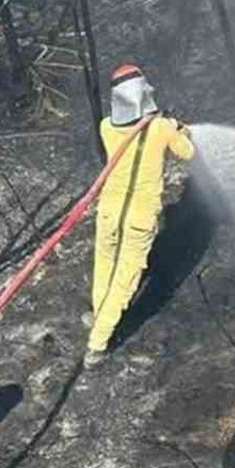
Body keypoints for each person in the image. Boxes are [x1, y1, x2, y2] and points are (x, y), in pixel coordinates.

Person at [86, 64, 194, 367]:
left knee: (104, 268)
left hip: (109, 213)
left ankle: (99, 316)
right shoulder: (161, 129)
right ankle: (97, 345)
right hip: (139, 218)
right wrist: (178, 128)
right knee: (125, 280)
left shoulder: (106, 127)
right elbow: (188, 152)